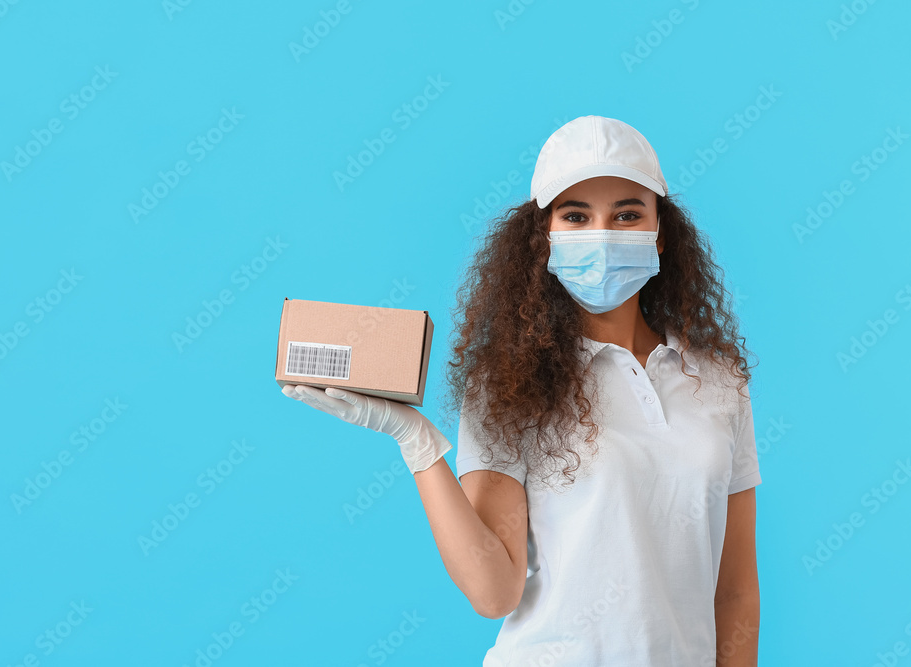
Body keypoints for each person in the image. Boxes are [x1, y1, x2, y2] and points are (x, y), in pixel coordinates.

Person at [282, 115, 762, 666]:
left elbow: (735, 593)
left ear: (660, 232)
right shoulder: (511, 384)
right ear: (544, 238)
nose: (602, 234)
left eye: (627, 214)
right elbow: (494, 591)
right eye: (575, 216)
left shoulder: (720, 381)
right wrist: (414, 439)